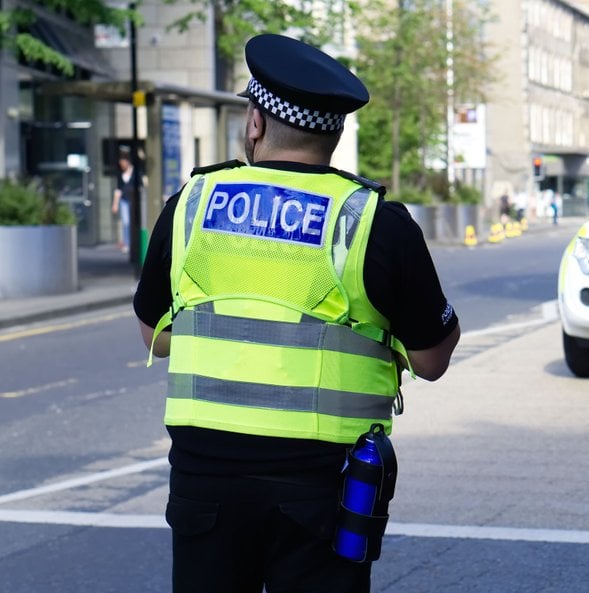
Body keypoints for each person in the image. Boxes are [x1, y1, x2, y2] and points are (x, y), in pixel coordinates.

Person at [133, 33, 460, 593]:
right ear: (334, 132)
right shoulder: (375, 221)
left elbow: (154, 332)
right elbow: (431, 360)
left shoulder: (192, 202)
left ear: (255, 122)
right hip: (324, 488)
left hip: (204, 478)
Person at [111, 148, 134, 253]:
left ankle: (132, 242)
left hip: (133, 200)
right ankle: (127, 243)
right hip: (124, 200)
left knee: (132, 222)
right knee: (126, 222)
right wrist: (115, 204)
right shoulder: (120, 175)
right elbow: (118, 190)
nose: (122, 165)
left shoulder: (135, 172)